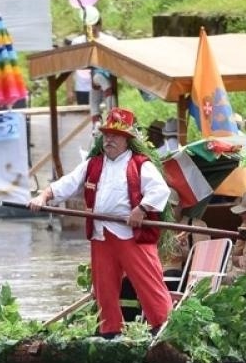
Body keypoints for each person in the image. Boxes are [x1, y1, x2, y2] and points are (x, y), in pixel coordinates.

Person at [29, 107, 174, 339]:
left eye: (115, 136)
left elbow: (160, 190)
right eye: (106, 135)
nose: (109, 139)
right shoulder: (93, 165)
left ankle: (165, 329)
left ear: (127, 139)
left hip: (131, 235)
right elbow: (67, 183)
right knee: (104, 288)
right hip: (101, 234)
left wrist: (141, 209)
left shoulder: (140, 164)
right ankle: (110, 333)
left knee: (148, 283)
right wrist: (43, 196)